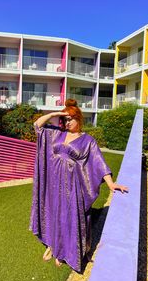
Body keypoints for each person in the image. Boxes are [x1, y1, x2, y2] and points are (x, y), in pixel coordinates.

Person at [29, 99, 128, 272]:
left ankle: (65, 251)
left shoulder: (88, 140)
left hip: (71, 186)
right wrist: (54, 114)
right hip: (53, 183)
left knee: (68, 217)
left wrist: (111, 184)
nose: (67, 122)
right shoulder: (56, 134)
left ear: (79, 119)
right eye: (65, 119)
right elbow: (37, 126)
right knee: (52, 213)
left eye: (71, 118)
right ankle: (53, 246)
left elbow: (99, 163)